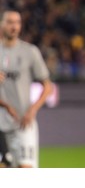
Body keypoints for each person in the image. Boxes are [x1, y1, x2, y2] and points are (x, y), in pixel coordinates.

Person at [0, 10, 53, 168]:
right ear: (2, 24)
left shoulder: (30, 52)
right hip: (1, 125)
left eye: (17, 22)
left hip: (23, 122)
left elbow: (47, 86)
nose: (14, 26)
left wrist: (32, 110)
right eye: (10, 22)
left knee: (25, 169)